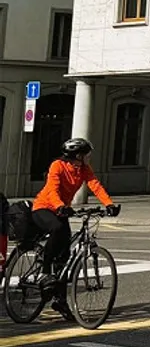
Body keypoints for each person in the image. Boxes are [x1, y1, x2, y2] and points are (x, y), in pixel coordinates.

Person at [31, 137, 120, 321]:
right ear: (78, 155)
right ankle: (45, 271)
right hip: (44, 208)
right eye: (87, 155)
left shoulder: (83, 169)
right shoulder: (58, 166)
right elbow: (52, 190)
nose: (89, 158)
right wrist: (60, 206)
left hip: (62, 210)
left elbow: (95, 185)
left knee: (64, 257)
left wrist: (109, 204)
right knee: (56, 229)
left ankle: (60, 301)